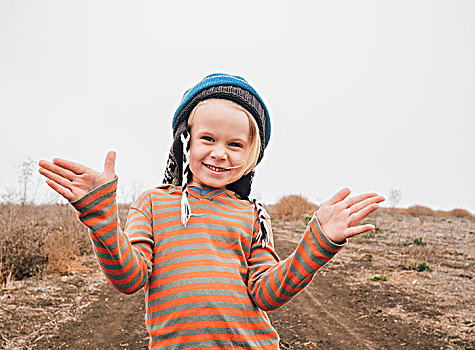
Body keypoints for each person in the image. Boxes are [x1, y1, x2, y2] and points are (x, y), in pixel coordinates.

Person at [38, 73, 384, 350]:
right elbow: (130, 279)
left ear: (252, 155)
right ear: (185, 142)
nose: (220, 153)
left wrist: (317, 244)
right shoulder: (154, 203)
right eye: (208, 139)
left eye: (235, 144)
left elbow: (267, 293)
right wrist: (101, 219)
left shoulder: (252, 216)